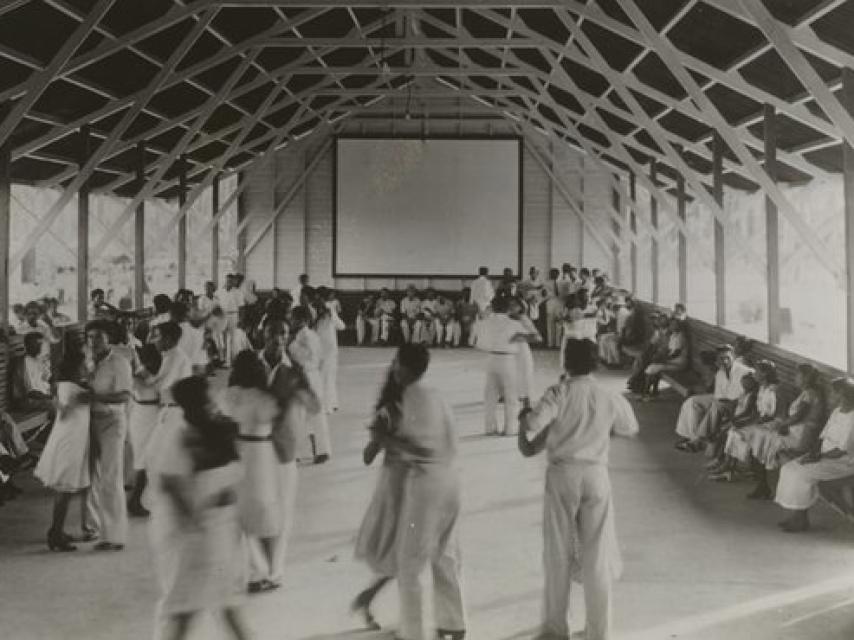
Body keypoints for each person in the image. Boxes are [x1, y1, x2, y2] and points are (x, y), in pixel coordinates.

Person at [518, 338, 639, 640]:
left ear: (566, 363)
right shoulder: (607, 394)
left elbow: (533, 423)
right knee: (597, 554)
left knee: (557, 553)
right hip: (596, 474)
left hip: (563, 475)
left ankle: (557, 629)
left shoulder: (559, 392)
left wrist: (525, 419)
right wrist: (598, 430)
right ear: (596, 363)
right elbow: (630, 427)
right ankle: (599, 632)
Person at [370, 345, 466, 640]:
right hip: (452, 481)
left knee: (409, 564)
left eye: (397, 362)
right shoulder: (436, 396)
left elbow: (416, 448)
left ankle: (412, 633)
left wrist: (384, 438)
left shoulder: (409, 398)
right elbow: (451, 442)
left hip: (426, 485)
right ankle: (453, 624)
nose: (394, 367)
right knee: (446, 556)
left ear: (406, 368)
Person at [148, 375, 249, 640]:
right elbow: (169, 484)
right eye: (207, 399)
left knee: (225, 601)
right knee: (188, 606)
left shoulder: (215, 429)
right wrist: (195, 525)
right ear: (193, 404)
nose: (213, 403)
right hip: (194, 530)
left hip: (221, 526)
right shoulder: (179, 434)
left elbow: (232, 476)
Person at [218, 351, 283, 593]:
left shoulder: (228, 395)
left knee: (238, 511)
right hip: (262, 453)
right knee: (264, 511)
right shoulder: (265, 398)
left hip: (237, 451)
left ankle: (251, 571)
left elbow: (223, 422)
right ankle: (268, 571)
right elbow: (275, 422)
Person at [260, 321, 317, 589]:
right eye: (273, 332)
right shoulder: (249, 363)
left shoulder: (294, 369)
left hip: (284, 447)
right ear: (263, 333)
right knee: (256, 509)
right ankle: (256, 570)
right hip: (255, 447)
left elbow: (314, 404)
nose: (278, 338)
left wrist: (298, 390)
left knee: (281, 510)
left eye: (283, 332)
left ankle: (274, 570)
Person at [735, 364, 826, 500]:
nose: (795, 378)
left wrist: (781, 426)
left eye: (798, 375)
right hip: (795, 430)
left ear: (805, 378)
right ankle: (762, 483)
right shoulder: (807, 392)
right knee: (759, 435)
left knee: (762, 438)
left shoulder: (810, 394)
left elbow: (798, 416)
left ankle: (763, 485)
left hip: (800, 436)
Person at [775, 377, 854, 533]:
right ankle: (798, 516)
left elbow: (841, 450)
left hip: (844, 462)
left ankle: (800, 520)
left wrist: (817, 457)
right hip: (825, 456)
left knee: (799, 474)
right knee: (789, 468)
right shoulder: (838, 411)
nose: (832, 396)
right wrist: (813, 452)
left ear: (844, 394)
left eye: (834, 393)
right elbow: (822, 436)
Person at [35, 349, 91, 551]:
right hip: (69, 443)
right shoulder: (73, 389)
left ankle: (56, 530)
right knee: (64, 489)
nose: (87, 368)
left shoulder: (67, 385)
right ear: (75, 368)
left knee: (65, 489)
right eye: (84, 365)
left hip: (69, 440)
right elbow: (90, 398)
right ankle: (56, 534)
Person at [84, 320, 133, 551]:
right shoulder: (89, 361)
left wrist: (94, 398)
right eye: (90, 337)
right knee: (90, 477)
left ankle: (114, 536)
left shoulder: (119, 362)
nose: (93, 342)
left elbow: (124, 395)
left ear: (109, 338)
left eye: (99, 337)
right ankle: (93, 528)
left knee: (111, 478)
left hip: (112, 422)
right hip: (89, 422)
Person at [674, 345, 752, 453]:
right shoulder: (720, 373)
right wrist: (717, 400)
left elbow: (746, 395)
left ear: (733, 356)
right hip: (722, 400)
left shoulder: (745, 371)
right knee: (692, 402)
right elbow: (718, 394)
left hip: (737, 403)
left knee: (717, 406)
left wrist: (721, 401)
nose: (724, 361)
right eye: (721, 358)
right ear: (717, 360)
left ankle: (697, 440)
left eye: (727, 358)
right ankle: (691, 436)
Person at [475, 296, 528, 436]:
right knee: (511, 395)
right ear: (508, 308)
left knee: (490, 396)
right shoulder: (514, 323)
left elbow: (479, 344)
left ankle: (490, 428)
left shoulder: (486, 322)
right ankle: (510, 429)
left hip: (492, 358)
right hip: (508, 359)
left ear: (493, 307)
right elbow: (529, 337)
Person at [288, 306, 332, 463]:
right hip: (313, 375)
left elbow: (302, 358)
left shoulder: (304, 336)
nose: (291, 320)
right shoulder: (308, 334)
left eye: (294, 318)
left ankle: (304, 452)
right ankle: (320, 450)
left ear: (304, 320)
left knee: (301, 413)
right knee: (311, 415)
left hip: (305, 375)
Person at [127, 343, 163, 518]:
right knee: (143, 459)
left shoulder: (145, 371)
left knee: (148, 458)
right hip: (145, 415)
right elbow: (153, 384)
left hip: (147, 414)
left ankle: (138, 498)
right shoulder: (141, 373)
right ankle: (134, 500)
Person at [639, 318, 689, 400]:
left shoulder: (680, 337)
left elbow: (676, 353)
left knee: (652, 368)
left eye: (675, 324)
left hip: (679, 362)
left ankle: (646, 393)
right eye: (671, 324)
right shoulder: (673, 335)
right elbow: (669, 350)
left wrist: (664, 360)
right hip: (672, 361)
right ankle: (654, 392)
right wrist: (661, 358)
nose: (672, 326)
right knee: (655, 367)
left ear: (679, 326)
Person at [508, 296, 542, 409]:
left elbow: (537, 337)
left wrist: (521, 337)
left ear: (521, 307)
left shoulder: (523, 319)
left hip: (521, 350)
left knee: (525, 374)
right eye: (510, 305)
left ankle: (527, 400)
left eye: (514, 305)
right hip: (509, 350)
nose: (511, 307)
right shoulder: (507, 318)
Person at [315, 299, 345, 413]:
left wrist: (332, 316)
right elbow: (342, 326)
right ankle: (330, 403)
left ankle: (330, 404)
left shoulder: (328, 317)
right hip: (324, 350)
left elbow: (342, 326)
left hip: (326, 350)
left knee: (326, 377)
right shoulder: (323, 317)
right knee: (327, 377)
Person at [543, 268, 563, 349]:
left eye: (555, 273)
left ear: (558, 274)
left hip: (559, 304)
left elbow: (562, 294)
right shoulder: (546, 283)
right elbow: (544, 294)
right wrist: (546, 293)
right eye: (552, 273)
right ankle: (550, 343)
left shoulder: (562, 282)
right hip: (550, 303)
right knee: (550, 324)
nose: (554, 275)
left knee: (558, 324)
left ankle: (558, 344)